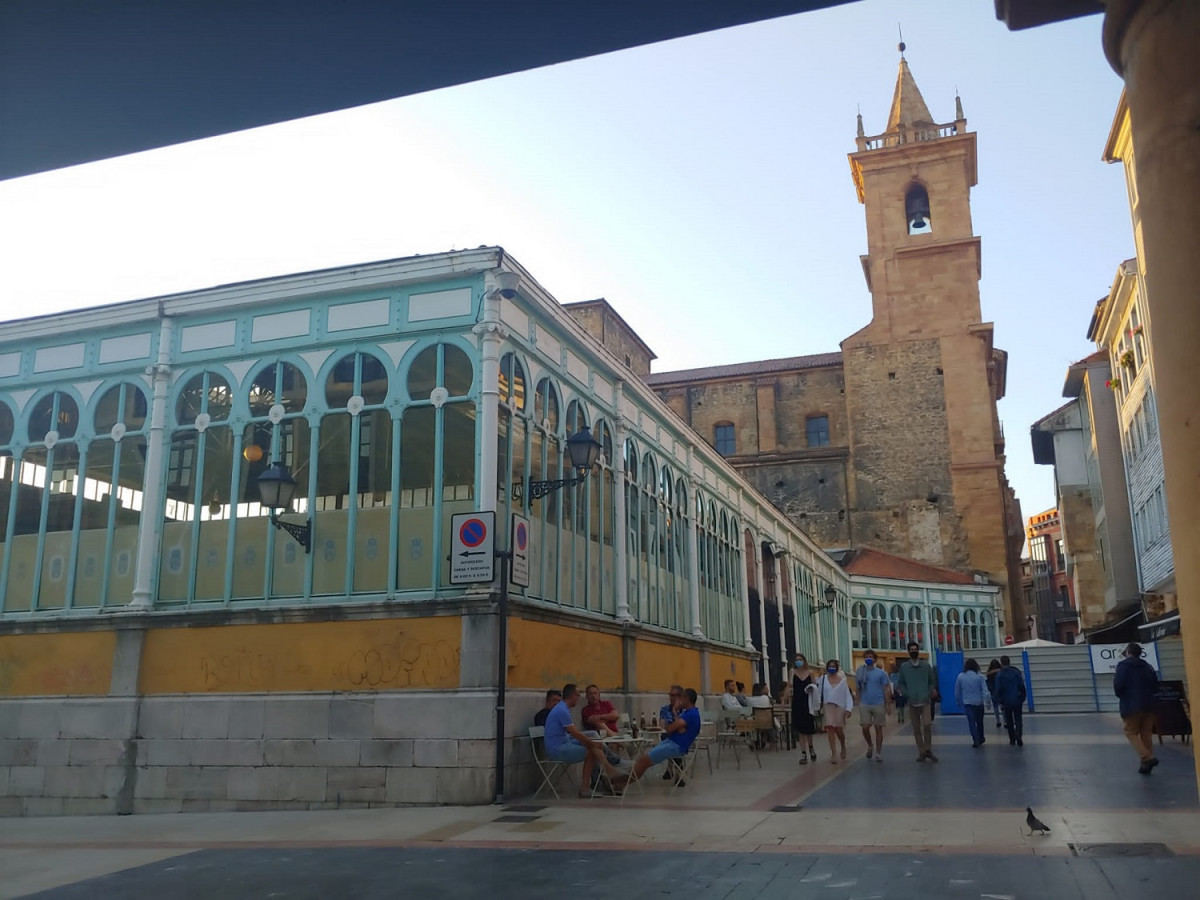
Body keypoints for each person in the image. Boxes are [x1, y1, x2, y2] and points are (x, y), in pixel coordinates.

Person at [616, 687, 702, 790]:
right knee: (642, 760)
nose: (679, 700)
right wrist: (675, 716)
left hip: (675, 746)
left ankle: (619, 784)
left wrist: (674, 720)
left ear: (687, 699)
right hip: (671, 742)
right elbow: (677, 729)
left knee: (644, 762)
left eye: (681, 698)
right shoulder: (687, 713)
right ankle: (618, 782)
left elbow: (669, 729)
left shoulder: (691, 714)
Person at [543, 683, 620, 798]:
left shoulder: (563, 708)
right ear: (572, 696)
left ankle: (609, 769)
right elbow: (575, 733)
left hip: (565, 741)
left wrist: (592, 743)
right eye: (578, 695)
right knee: (591, 751)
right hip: (557, 748)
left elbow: (574, 734)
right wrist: (590, 744)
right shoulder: (562, 711)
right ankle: (587, 787)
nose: (579, 698)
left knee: (593, 739)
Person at [1114, 642, 1160, 774]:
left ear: (1128, 653)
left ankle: (1147, 757)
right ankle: (1146, 765)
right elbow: (1155, 685)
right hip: (1149, 705)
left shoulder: (1123, 666)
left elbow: (1118, 686)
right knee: (1146, 734)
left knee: (1130, 732)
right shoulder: (1147, 666)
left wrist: (1123, 696)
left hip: (1131, 705)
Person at [896, 642, 938, 762]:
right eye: (911, 649)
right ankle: (921, 752)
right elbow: (901, 683)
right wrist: (906, 693)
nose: (914, 651)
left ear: (918, 651)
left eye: (915, 649)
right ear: (908, 651)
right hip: (912, 701)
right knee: (916, 728)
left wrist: (928, 691)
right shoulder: (904, 667)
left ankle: (928, 749)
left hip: (925, 701)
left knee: (927, 725)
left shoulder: (926, 666)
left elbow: (932, 681)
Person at [853, 649, 893, 761]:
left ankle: (878, 752)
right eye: (866, 657)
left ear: (875, 659)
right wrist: (858, 700)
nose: (868, 658)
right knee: (865, 727)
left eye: (870, 657)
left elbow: (886, 689)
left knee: (878, 728)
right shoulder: (860, 672)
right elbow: (857, 687)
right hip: (865, 703)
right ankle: (870, 745)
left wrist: (888, 705)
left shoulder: (881, 673)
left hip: (878, 703)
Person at [813, 658, 853, 763]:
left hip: (840, 706)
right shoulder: (823, 678)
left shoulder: (843, 680)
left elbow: (847, 695)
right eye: (829, 666)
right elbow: (818, 692)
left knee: (838, 729)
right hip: (828, 705)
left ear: (837, 668)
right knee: (830, 728)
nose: (831, 668)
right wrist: (817, 705)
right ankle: (834, 753)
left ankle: (843, 744)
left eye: (833, 666)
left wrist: (849, 708)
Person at [954, 658, 989, 749]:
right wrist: (988, 703)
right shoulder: (980, 676)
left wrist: (958, 701)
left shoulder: (960, 676)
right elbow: (985, 691)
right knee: (980, 722)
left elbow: (957, 691)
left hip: (968, 703)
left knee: (971, 722)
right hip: (979, 703)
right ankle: (981, 737)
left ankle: (975, 739)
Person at [993, 655, 1027, 747]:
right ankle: (1019, 734)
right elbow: (1021, 686)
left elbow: (998, 689)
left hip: (1006, 701)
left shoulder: (999, 675)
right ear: (1009, 662)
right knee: (1018, 719)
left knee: (1009, 721)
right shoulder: (1016, 673)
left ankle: (1012, 738)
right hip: (1016, 699)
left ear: (1001, 663)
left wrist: (1000, 700)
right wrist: (1022, 697)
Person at [792, 653, 819, 764]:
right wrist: (784, 701)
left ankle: (811, 748)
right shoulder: (792, 672)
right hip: (797, 702)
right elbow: (790, 686)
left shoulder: (810, 673)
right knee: (800, 730)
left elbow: (815, 686)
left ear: (804, 660)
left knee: (808, 729)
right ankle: (803, 753)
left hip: (807, 703)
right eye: (796, 659)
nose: (798, 661)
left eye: (800, 659)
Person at [658, 685, 684, 781]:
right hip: (668, 736)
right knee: (670, 739)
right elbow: (662, 725)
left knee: (676, 740)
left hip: (683, 738)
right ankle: (678, 771)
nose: (672, 698)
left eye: (675, 695)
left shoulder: (685, 710)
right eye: (670, 695)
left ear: (681, 697)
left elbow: (682, 727)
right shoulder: (664, 709)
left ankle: (672, 769)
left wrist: (674, 712)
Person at [985, 659, 1003, 730]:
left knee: (995, 707)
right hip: (1001, 692)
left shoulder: (989, 673)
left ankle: (998, 721)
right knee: (1003, 707)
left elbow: (987, 676)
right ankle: (1005, 722)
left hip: (993, 692)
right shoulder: (1001, 672)